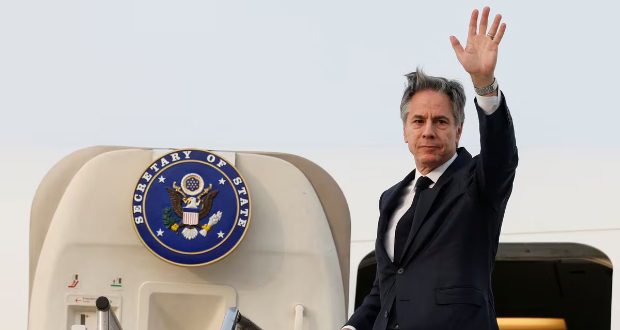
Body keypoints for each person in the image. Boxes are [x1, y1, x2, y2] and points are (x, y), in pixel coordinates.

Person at [342, 7, 518, 330]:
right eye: (418, 121)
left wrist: (484, 84)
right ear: (405, 131)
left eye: (440, 121)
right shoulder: (391, 198)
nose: (428, 131)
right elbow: (387, 289)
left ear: (458, 130)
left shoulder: (477, 183)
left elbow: (502, 156)